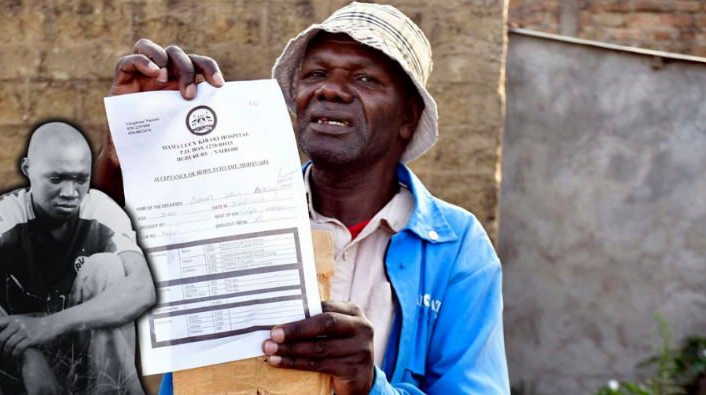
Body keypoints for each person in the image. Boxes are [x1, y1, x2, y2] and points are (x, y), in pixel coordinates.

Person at [93, 2, 509, 394]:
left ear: (408, 117)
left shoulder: (455, 248)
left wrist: (369, 385)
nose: (331, 90)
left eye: (365, 79)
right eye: (315, 74)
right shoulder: (224, 208)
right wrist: (125, 148)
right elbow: (84, 266)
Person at [0, 121, 155, 395]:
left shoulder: (102, 210)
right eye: (56, 179)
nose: (70, 193)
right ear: (28, 170)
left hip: (81, 345)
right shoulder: (6, 213)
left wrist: (48, 326)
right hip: (16, 347)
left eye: (80, 179)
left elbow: (143, 288)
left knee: (108, 267)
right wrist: (29, 353)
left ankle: (110, 391)